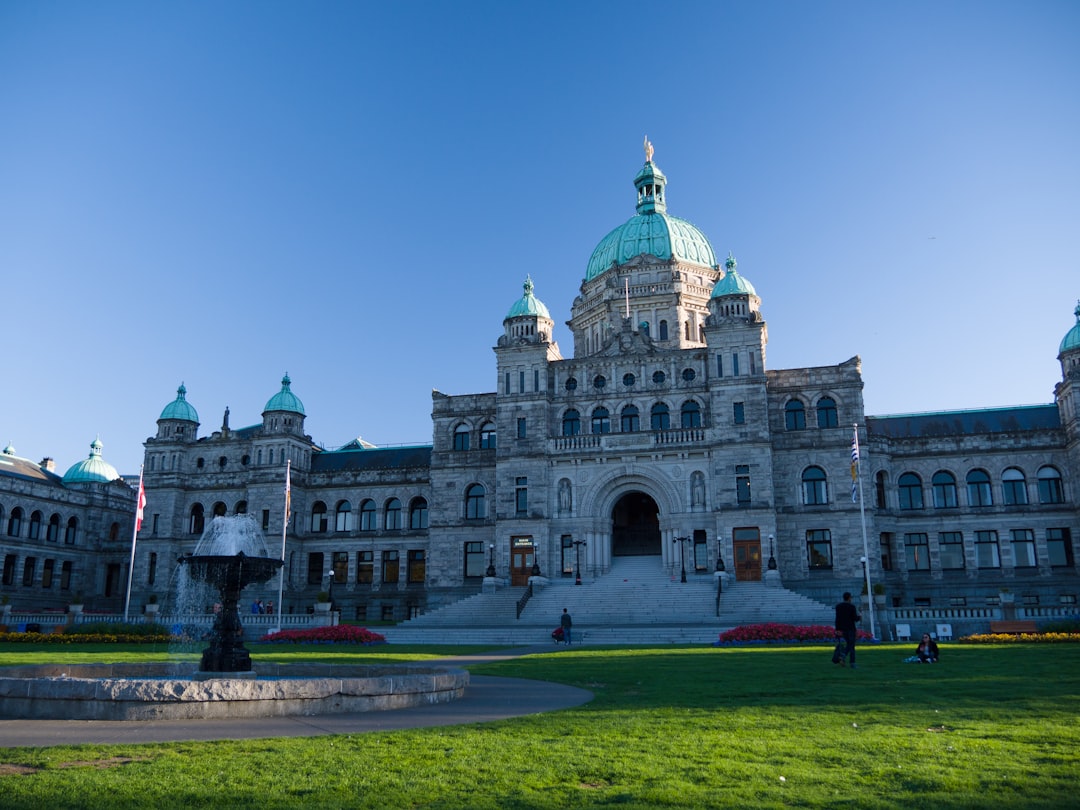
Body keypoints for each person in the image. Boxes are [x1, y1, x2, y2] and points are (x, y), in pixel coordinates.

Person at [834, 591, 861, 668]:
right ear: (849, 598)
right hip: (850, 628)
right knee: (851, 645)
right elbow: (855, 618)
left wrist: (837, 629)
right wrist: (860, 617)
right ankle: (851, 662)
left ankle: (843, 656)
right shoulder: (851, 607)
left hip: (842, 629)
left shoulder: (838, 607)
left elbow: (837, 619)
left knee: (850, 644)